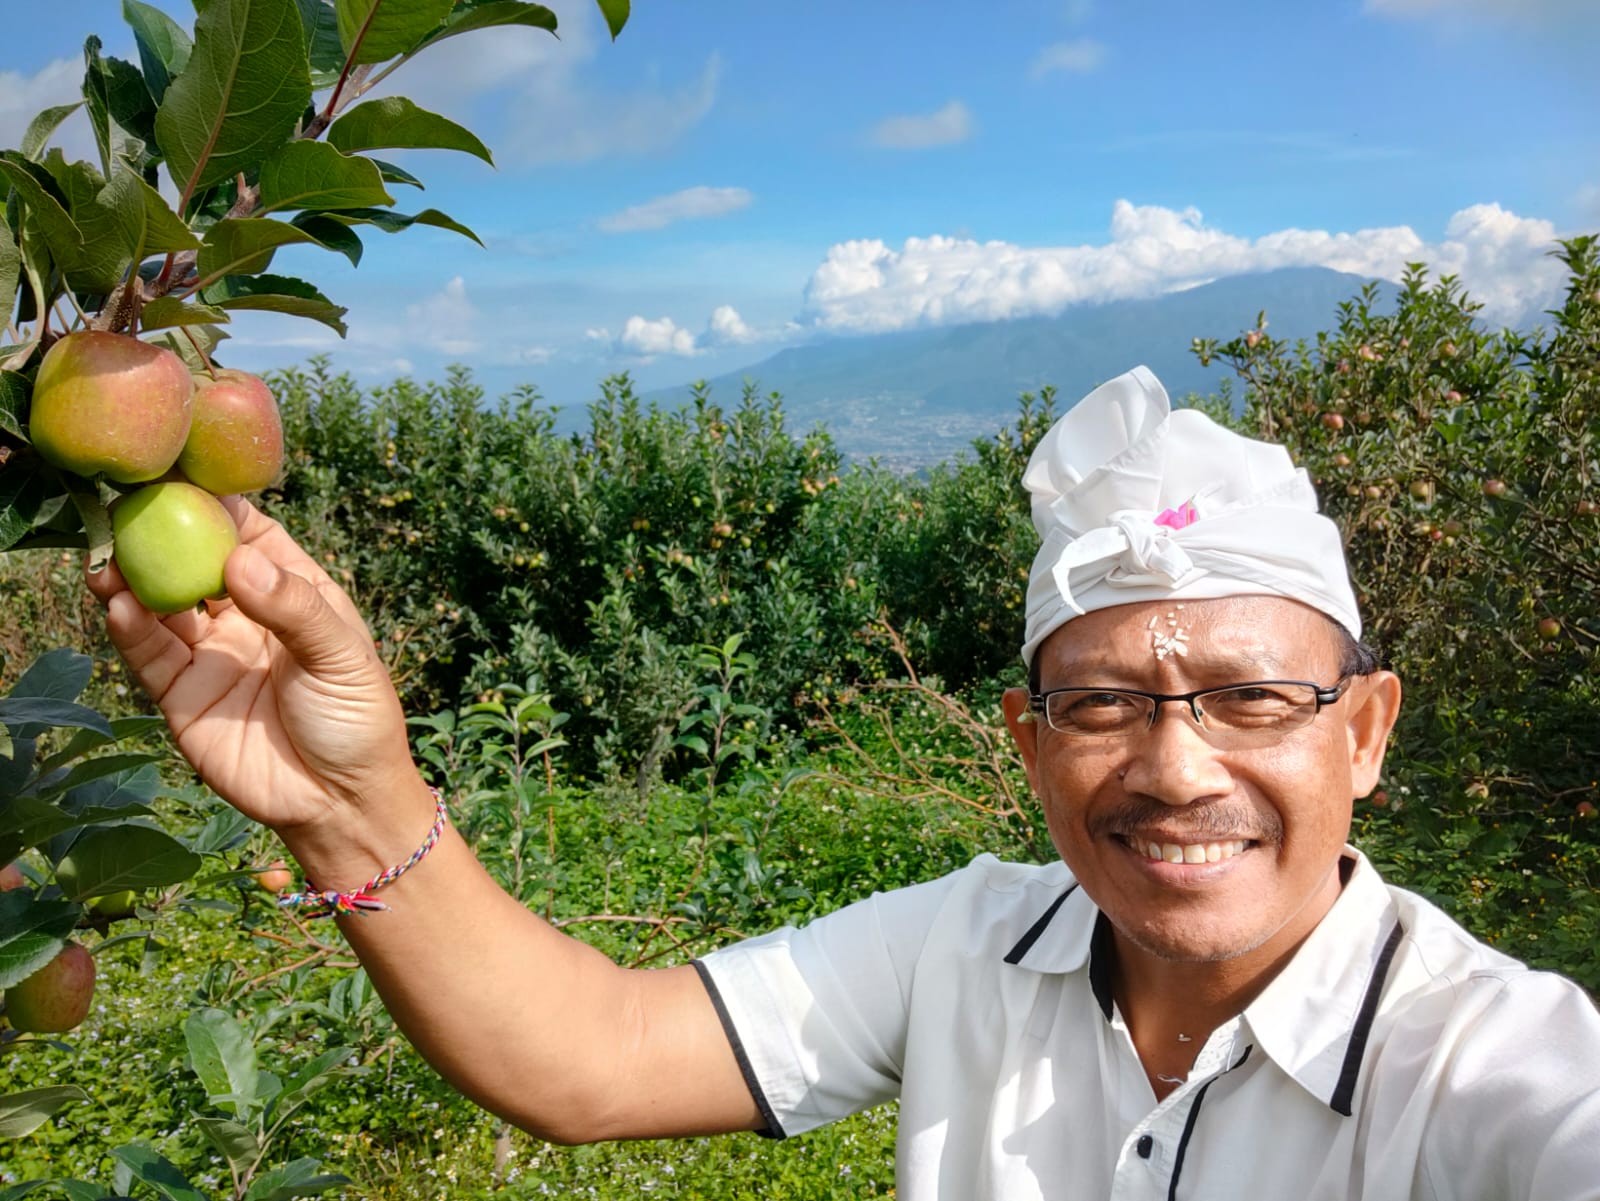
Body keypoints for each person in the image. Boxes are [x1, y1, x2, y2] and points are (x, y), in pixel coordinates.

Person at [89, 366, 1600, 1200]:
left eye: (1255, 695)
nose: (1174, 763)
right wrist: (348, 794)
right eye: (1102, 701)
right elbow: (589, 1055)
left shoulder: (1485, 1066)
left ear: (1367, 728)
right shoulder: (968, 947)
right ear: (1027, 741)